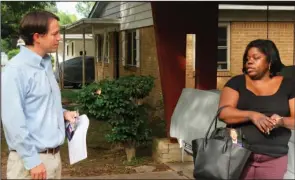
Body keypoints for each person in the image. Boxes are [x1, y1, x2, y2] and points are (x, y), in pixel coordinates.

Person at [1, 11, 78, 179]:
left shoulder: (46, 65)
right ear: (37, 37)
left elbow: (42, 104)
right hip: (31, 163)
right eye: (55, 33)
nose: (59, 38)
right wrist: (32, 161)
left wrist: (63, 113)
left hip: (53, 159)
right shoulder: (15, 70)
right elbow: (12, 121)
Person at [218, 39, 295, 179]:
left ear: (270, 61)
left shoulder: (289, 85)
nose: (249, 61)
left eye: (256, 58)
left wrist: (281, 121)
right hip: (237, 155)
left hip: (273, 158)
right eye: (247, 58)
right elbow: (223, 113)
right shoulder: (236, 82)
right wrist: (252, 115)